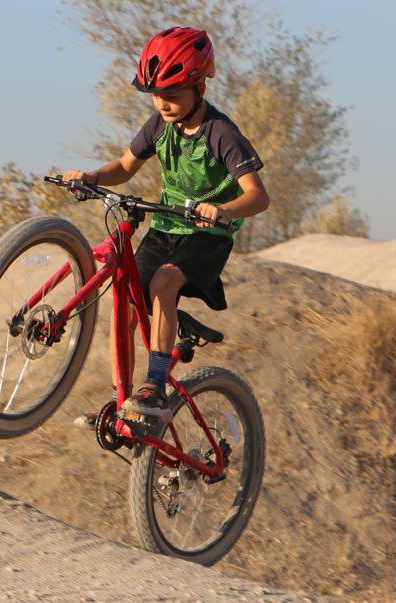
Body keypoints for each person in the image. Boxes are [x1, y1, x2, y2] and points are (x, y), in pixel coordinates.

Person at [62, 26, 269, 435]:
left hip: (208, 235)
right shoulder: (158, 124)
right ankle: (127, 396)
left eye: (172, 94)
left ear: (199, 85)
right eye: (157, 94)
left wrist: (221, 210)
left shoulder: (220, 132)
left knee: (163, 282)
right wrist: (90, 176)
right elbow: (123, 168)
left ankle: (155, 387)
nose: (163, 103)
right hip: (166, 225)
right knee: (126, 295)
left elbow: (258, 197)